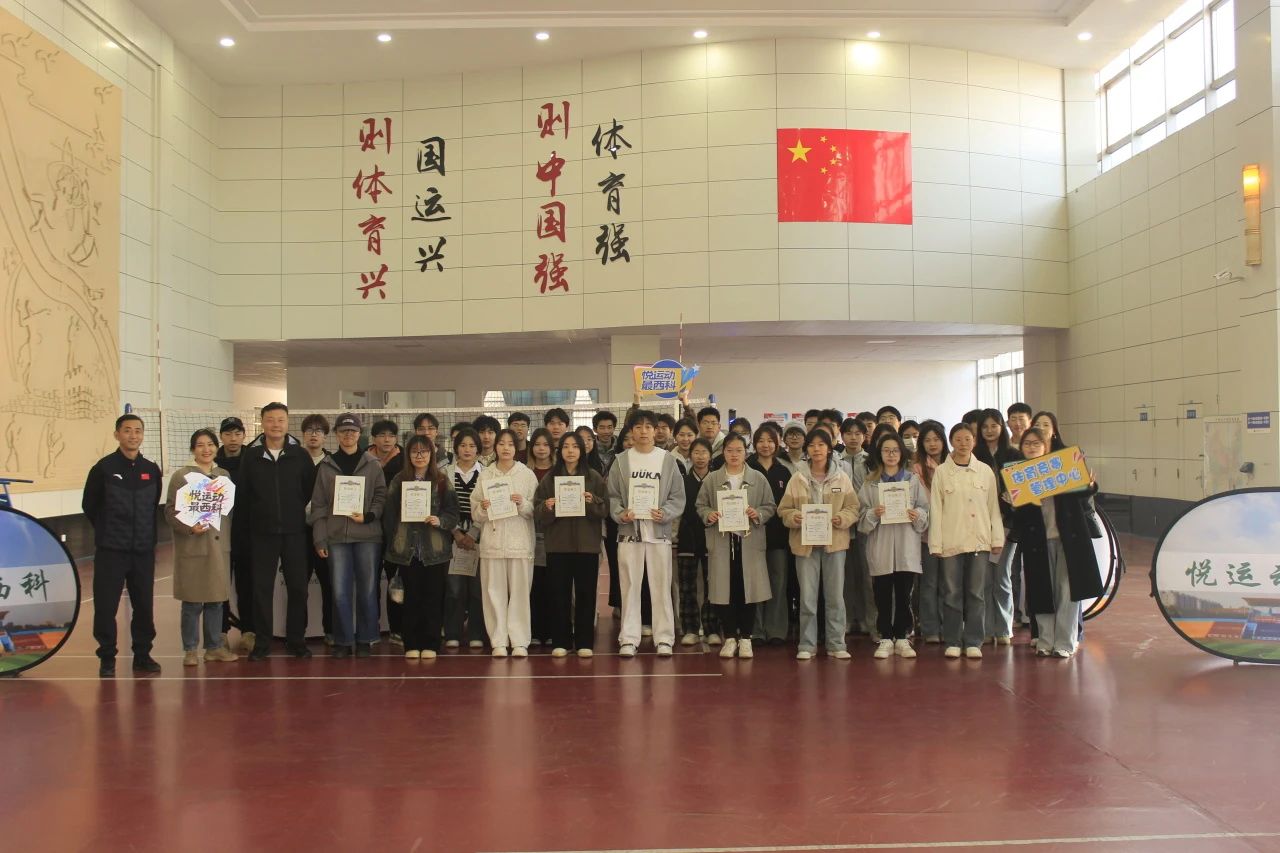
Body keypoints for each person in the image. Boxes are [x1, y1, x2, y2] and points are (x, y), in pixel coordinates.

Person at [1009, 428, 1103, 658]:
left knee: (1067, 590)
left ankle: (1065, 642)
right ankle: (1045, 640)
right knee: (1042, 590)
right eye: (1027, 443)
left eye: (1036, 443)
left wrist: (1090, 486)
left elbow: (1082, 495)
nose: (1031, 447)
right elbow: (1018, 517)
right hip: (1037, 542)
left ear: (1046, 446)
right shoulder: (1019, 476)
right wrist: (1012, 504)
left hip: (1068, 540)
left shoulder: (1062, 467)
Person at [83, 414, 163, 677]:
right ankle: (107, 657)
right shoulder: (103, 468)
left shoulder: (151, 470)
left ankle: (142, 655)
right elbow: (90, 505)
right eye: (127, 430)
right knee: (106, 607)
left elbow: (153, 505)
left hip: (143, 552)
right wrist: (108, 531)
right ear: (117, 434)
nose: (133, 435)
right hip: (111, 552)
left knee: (144, 606)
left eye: (138, 430)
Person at [238, 402, 317, 660]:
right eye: (270, 419)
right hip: (262, 534)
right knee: (261, 590)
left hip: (295, 533)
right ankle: (262, 644)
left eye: (280, 419)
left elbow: (309, 490)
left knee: (298, 589)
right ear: (262, 423)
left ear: (287, 422)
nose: (275, 424)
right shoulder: (251, 456)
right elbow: (244, 495)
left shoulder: (300, 455)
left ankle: (296, 641)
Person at [607, 409, 686, 658]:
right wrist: (621, 513)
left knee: (661, 586)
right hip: (629, 533)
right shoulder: (621, 461)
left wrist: (666, 512)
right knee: (629, 585)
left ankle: (664, 637)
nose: (643, 431)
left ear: (656, 431)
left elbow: (678, 496)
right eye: (638, 427)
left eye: (648, 427)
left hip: (659, 534)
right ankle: (629, 638)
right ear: (631, 431)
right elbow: (613, 496)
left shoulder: (667, 460)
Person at [310, 413, 387, 659]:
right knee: (340, 591)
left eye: (352, 431)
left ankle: (366, 638)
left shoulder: (372, 464)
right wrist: (320, 538)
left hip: (367, 537)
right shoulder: (326, 465)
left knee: (367, 590)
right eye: (343, 431)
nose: (348, 435)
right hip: (336, 538)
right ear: (336, 434)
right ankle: (343, 640)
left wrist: (369, 516)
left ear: (359, 434)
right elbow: (319, 505)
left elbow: (381, 496)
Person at [777, 428, 858, 661]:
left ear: (829, 449)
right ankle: (807, 644)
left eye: (821, 445)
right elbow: (783, 509)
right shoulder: (797, 478)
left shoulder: (841, 477)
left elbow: (853, 507)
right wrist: (794, 516)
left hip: (835, 544)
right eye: (812, 445)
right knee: (807, 598)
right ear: (807, 450)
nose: (816, 449)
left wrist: (842, 518)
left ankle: (836, 643)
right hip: (805, 546)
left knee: (835, 597)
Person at [696, 432, 777, 659]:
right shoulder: (712, 479)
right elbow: (700, 505)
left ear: (746, 453)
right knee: (725, 589)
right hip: (722, 541)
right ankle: (730, 637)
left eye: (739, 450)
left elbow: (770, 506)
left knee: (747, 589)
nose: (734, 455)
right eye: (729, 450)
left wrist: (757, 513)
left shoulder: (758, 478)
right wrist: (709, 514)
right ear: (723, 452)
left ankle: (746, 638)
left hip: (749, 542)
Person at [929, 423, 1004, 660]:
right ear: (951, 441)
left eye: (968, 439)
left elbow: (993, 507)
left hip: (979, 540)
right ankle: (953, 640)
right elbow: (936, 509)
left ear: (974, 441)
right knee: (951, 593)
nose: (963, 443)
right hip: (951, 541)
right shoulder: (942, 472)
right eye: (958, 439)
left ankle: (973, 641)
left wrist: (997, 538)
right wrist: (935, 543)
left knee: (976, 593)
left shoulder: (985, 471)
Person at [165, 429, 239, 666]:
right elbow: (170, 511)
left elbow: (228, 511)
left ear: (216, 448)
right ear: (193, 449)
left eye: (210, 444)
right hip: (193, 547)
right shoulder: (181, 476)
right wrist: (189, 527)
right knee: (193, 602)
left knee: (216, 600)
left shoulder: (223, 476)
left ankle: (214, 647)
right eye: (200, 445)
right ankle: (190, 650)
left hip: (219, 548)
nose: (206, 449)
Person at [383, 434, 459, 660]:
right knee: (411, 599)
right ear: (408, 455)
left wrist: (440, 521)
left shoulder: (442, 480)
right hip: (406, 550)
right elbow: (389, 515)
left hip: (435, 551)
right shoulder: (399, 480)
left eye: (424, 451)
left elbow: (453, 513)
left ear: (431, 454)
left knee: (433, 598)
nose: (419, 456)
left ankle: (431, 644)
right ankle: (411, 644)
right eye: (414, 451)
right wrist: (394, 539)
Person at [535, 432, 610, 657]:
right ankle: (561, 641)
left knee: (586, 595)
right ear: (560, 452)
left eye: (575, 446)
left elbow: (604, 509)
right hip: (557, 546)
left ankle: (585, 641)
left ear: (582, 450)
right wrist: (547, 506)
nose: (570, 451)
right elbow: (538, 511)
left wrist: (592, 501)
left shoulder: (594, 477)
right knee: (559, 595)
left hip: (587, 546)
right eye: (566, 446)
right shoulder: (550, 478)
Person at [857, 433, 929, 659]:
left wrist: (916, 514)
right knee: (882, 594)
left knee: (904, 593)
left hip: (906, 544)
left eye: (895, 450)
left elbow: (925, 510)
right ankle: (886, 637)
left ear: (902, 453)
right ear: (879, 454)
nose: (891, 454)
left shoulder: (912, 480)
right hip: (881, 544)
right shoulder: (871, 482)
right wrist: (873, 513)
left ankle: (902, 636)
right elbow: (860, 516)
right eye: (886, 450)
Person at [473, 429, 539, 657]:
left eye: (510, 444)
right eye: (501, 443)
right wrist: (483, 508)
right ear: (495, 447)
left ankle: (519, 641)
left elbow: (535, 510)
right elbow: (475, 512)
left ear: (516, 447)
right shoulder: (485, 475)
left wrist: (522, 504)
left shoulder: (527, 475)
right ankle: (498, 640)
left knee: (520, 593)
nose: (506, 448)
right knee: (493, 593)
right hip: (492, 544)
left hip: (520, 543)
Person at [748, 425, 793, 645]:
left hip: (779, 537)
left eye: (770, 441)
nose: (765, 445)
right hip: (751, 536)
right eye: (761, 440)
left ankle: (776, 630)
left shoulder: (784, 471)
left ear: (777, 444)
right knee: (755, 583)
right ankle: (755, 630)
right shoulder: (747, 469)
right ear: (754, 443)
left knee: (778, 582)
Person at [975, 408, 1016, 647]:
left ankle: (1003, 627)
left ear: (1002, 427)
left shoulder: (1013, 455)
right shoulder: (974, 456)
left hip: (1006, 524)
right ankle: (986, 628)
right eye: (985, 426)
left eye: (994, 425)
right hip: (979, 526)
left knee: (1001, 577)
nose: (990, 430)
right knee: (983, 579)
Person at [444, 427, 486, 649]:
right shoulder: (444, 473)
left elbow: (488, 506)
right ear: (456, 448)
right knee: (454, 589)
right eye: (463, 445)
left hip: (480, 538)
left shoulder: (487, 473)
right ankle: (453, 632)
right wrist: (456, 532)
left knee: (478, 589)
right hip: (452, 538)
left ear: (478, 449)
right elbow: (440, 506)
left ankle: (476, 633)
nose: (467, 450)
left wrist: (473, 533)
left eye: (472, 445)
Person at [215, 416, 254, 654]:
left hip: (246, 533)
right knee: (219, 585)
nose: (233, 438)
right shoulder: (212, 463)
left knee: (246, 584)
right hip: (218, 535)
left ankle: (249, 631)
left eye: (237, 433)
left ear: (243, 435)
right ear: (221, 437)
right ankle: (220, 633)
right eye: (228, 434)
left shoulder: (253, 460)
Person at [675, 437, 717, 646]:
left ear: (711, 456)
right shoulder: (682, 481)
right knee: (687, 587)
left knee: (713, 586)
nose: (700, 457)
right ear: (690, 456)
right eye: (696, 452)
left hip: (713, 539)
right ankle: (690, 628)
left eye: (704, 452)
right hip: (687, 539)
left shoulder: (717, 480)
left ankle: (712, 629)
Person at [910, 421, 949, 643]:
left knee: (949, 583)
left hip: (952, 533)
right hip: (927, 534)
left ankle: (949, 626)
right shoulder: (916, 469)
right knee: (929, 583)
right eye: (927, 440)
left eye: (936, 439)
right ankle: (930, 628)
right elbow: (922, 501)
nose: (932, 444)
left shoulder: (953, 465)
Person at [369, 418, 405, 646]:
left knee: (396, 581)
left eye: (391, 436)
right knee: (369, 582)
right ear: (374, 438)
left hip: (396, 531)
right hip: (368, 529)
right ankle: (370, 628)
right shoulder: (363, 460)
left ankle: (397, 629)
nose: (386, 440)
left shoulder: (405, 461)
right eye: (382, 435)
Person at [300, 414, 335, 645]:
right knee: (298, 586)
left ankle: (331, 630)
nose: (314, 435)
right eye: (309, 430)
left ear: (325, 436)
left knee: (329, 584)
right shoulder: (294, 460)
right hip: (299, 532)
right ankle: (298, 632)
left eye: (319, 431)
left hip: (325, 531)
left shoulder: (332, 463)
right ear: (303, 434)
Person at [527, 427, 555, 645]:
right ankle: (535, 631)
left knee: (552, 583)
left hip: (554, 534)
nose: (541, 449)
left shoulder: (559, 472)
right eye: (537, 444)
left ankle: (552, 630)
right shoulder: (524, 472)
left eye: (546, 444)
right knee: (534, 583)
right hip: (530, 533)